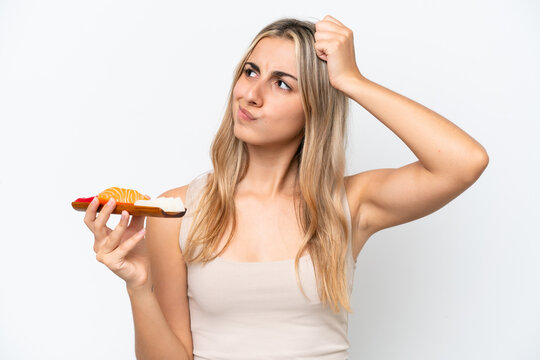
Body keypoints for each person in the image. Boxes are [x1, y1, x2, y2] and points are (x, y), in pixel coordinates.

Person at [83, 15, 489, 360]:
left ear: (314, 107)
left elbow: (464, 162)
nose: (251, 94)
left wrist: (351, 80)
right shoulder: (177, 209)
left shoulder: (347, 205)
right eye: (250, 71)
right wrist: (139, 287)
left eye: (282, 84)